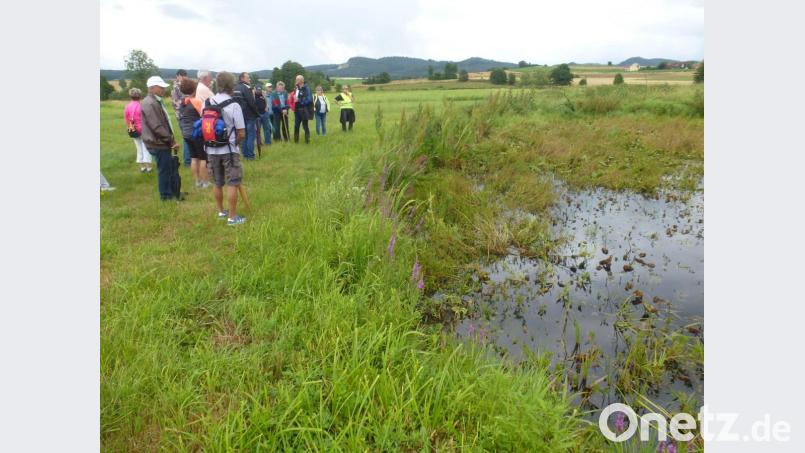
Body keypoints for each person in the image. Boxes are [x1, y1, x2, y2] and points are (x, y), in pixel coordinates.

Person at [204, 72, 247, 226]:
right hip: (229, 149)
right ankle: (232, 217)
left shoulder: (207, 102)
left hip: (211, 149)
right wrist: (236, 143)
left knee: (217, 182)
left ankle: (222, 211)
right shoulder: (234, 105)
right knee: (232, 182)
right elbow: (241, 131)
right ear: (231, 85)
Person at [140, 76, 180, 201]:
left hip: (160, 141)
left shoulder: (154, 101)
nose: (163, 89)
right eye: (160, 87)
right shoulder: (150, 103)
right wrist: (171, 141)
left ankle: (171, 192)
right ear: (151, 88)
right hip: (158, 143)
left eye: (163, 87)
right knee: (164, 170)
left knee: (167, 169)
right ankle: (166, 196)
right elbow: (156, 126)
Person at [178, 78, 209, 188]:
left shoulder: (182, 102)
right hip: (197, 133)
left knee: (193, 158)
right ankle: (205, 182)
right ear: (193, 89)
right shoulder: (196, 101)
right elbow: (204, 115)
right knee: (203, 158)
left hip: (186, 133)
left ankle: (197, 181)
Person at [123, 88, 153, 173]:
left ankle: (142, 167)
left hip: (133, 130)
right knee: (146, 148)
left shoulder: (127, 106)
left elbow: (126, 119)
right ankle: (149, 167)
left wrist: (130, 128)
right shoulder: (142, 105)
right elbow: (147, 119)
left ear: (130, 96)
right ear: (140, 96)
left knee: (139, 148)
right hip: (143, 130)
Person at [233, 72, 261, 160]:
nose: (249, 79)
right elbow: (251, 103)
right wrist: (257, 114)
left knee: (243, 135)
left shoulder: (235, 88)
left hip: (239, 116)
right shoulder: (247, 88)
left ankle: (245, 155)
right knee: (250, 136)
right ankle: (250, 156)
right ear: (242, 79)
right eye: (247, 77)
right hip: (249, 116)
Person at [171, 69, 191, 167]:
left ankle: (188, 160)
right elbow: (177, 103)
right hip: (183, 116)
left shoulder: (176, 86)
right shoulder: (178, 86)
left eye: (185, 76)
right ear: (178, 76)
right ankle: (187, 162)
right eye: (183, 76)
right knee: (187, 139)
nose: (184, 78)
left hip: (181, 115)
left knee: (187, 138)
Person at [292, 75, 313, 143]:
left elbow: (309, 99)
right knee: (296, 125)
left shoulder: (307, 88)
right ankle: (296, 141)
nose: (296, 81)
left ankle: (307, 141)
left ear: (301, 80)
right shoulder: (296, 88)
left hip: (304, 110)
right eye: (296, 79)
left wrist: (300, 100)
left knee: (305, 126)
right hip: (297, 110)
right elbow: (294, 97)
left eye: (297, 80)